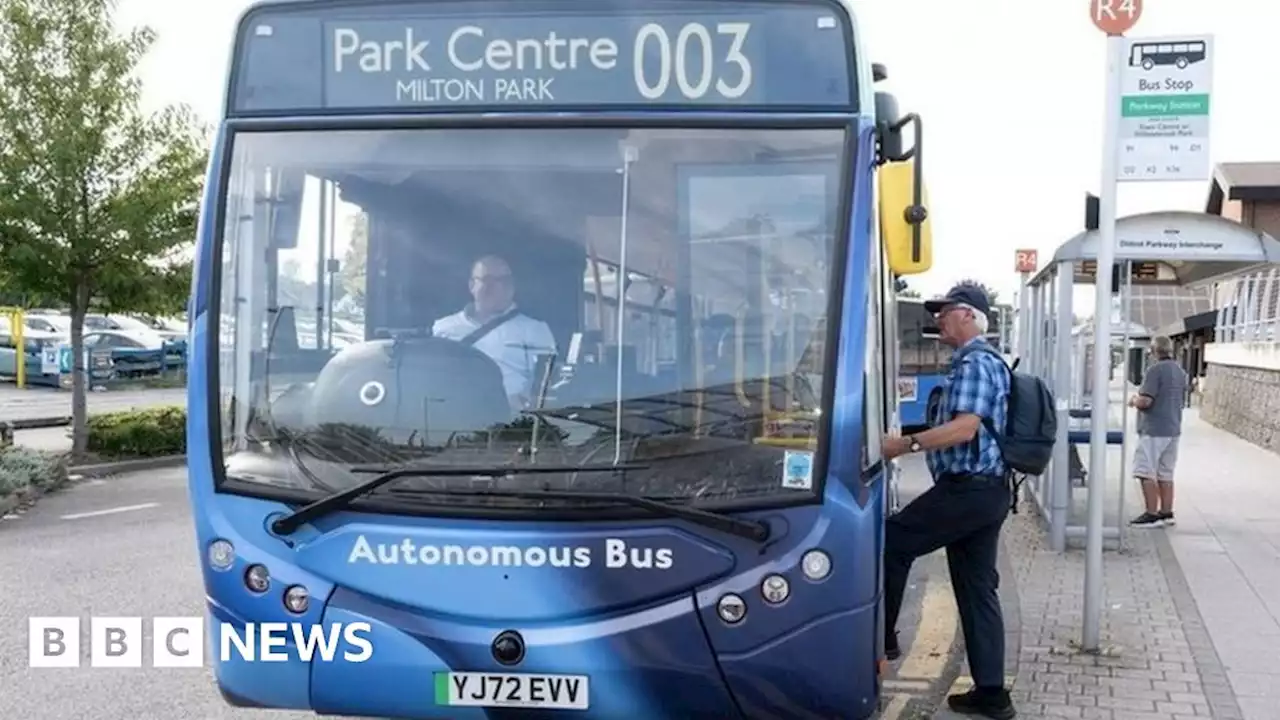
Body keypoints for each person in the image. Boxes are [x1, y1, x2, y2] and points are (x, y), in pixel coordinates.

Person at [881, 283, 1016, 720]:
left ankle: (880, 641)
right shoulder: (977, 363)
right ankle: (992, 695)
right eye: (938, 313)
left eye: (947, 312)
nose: (938, 319)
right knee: (977, 589)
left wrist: (905, 445)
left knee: (894, 542)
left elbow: (963, 429)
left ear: (972, 317)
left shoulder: (976, 363)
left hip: (969, 490)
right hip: (987, 490)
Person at [432, 255, 557, 410]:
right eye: (488, 280)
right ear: (472, 285)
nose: (498, 287)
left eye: (504, 281)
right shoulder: (442, 328)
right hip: (451, 423)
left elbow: (546, 388)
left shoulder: (535, 330)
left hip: (512, 426)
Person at [1127, 335, 1187, 528]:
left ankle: (1151, 513)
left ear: (1153, 351)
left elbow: (1146, 401)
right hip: (1173, 428)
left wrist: (1134, 400)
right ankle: (1166, 512)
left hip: (1154, 429)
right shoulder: (1179, 371)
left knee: (1144, 470)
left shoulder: (1154, 370)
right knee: (1166, 472)